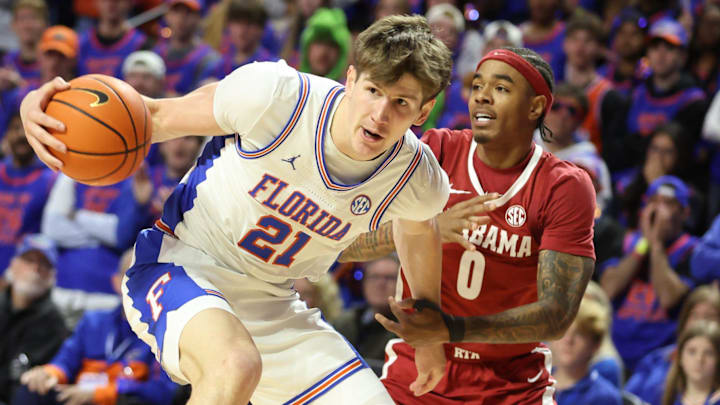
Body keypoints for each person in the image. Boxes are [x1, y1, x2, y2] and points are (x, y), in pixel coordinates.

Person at [20, 15, 455, 405]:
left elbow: (418, 230)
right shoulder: (277, 96)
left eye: (400, 102)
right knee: (234, 366)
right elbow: (151, 115)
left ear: (423, 109)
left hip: (273, 302)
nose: (379, 114)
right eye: (373, 90)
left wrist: (430, 330)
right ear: (351, 77)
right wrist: (42, 108)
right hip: (181, 265)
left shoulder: (417, 177)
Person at [340, 46, 596, 403]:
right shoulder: (434, 152)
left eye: (501, 89)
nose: (482, 98)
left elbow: (557, 317)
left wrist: (452, 330)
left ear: (535, 107)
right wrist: (423, 230)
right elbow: (346, 244)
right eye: (477, 86)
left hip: (513, 384)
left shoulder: (564, 185)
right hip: (417, 372)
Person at [12, 249, 177, 405]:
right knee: (31, 389)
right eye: (132, 275)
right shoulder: (93, 321)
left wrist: (98, 395)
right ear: (116, 282)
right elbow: (65, 362)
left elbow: (163, 392)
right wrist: (49, 374)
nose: (141, 284)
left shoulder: (166, 333)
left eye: (150, 276)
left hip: (118, 400)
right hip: (76, 396)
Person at [600, 175, 699, 372]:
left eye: (668, 204)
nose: (657, 210)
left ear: (684, 213)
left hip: (658, 360)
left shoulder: (692, 250)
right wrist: (643, 245)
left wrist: (656, 245)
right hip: (612, 354)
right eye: (654, 201)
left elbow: (669, 298)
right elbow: (607, 290)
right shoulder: (627, 241)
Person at [626, 284, 720, 405]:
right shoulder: (656, 359)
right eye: (694, 315)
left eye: (709, 317)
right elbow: (628, 397)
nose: (700, 322)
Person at [0, 234, 67, 404]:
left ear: (52, 276)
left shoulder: (54, 324)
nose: (35, 269)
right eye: (29, 260)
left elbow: (19, 379)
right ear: (13, 264)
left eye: (44, 264)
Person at [0, 111, 56, 274]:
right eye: (15, 128)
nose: (21, 136)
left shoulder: (51, 178)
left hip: (24, 275)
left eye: (26, 129)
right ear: (6, 133)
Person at [332, 253, 399, 376]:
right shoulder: (344, 322)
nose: (381, 284)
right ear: (364, 282)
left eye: (389, 278)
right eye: (374, 277)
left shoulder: (408, 330)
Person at [551, 297, 623, 405]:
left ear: (596, 345)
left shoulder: (604, 397)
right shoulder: (535, 382)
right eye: (563, 331)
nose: (568, 340)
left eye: (580, 334)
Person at [153, 0, 219, 97]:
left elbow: (200, 101)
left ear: (200, 18)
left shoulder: (209, 59)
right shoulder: (155, 54)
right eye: (176, 11)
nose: (181, 18)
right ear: (167, 16)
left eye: (188, 12)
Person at [76, 0, 148, 77]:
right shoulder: (80, 43)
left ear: (129, 3)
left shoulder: (140, 43)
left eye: (116, 1)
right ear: (96, 2)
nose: (111, 4)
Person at [661, 320, 720, 405]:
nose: (699, 359)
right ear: (680, 356)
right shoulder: (663, 395)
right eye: (692, 352)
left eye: (709, 353)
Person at [0, 0, 48, 91]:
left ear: (45, 23)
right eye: (22, 19)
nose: (27, 25)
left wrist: (19, 83)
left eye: (33, 18)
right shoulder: (8, 60)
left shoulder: (53, 59)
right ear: (13, 25)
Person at [298, 7, 350, 81]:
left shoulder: (348, 91)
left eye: (331, 45)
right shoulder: (291, 84)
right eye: (319, 42)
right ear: (307, 47)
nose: (324, 51)